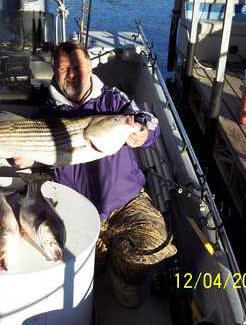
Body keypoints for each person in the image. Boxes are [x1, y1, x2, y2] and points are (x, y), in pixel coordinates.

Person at [13, 41, 177, 308]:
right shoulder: (46, 114)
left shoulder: (113, 100)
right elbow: (34, 158)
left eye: (77, 66)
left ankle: (123, 276)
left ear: (89, 65)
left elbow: (148, 120)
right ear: (55, 72)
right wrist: (25, 158)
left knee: (153, 245)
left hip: (126, 203)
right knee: (73, 266)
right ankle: (105, 261)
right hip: (75, 209)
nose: (72, 74)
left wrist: (144, 133)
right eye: (64, 69)